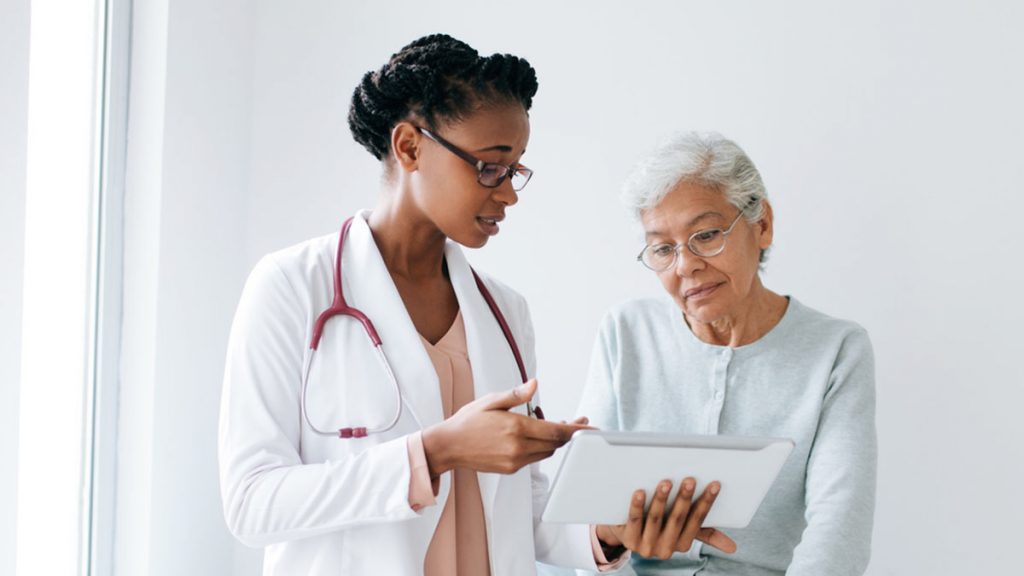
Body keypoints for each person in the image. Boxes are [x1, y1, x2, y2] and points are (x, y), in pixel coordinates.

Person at [218, 35, 725, 576]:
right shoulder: (292, 287)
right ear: (410, 146)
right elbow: (253, 503)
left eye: (515, 171)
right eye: (489, 167)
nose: (508, 194)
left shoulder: (506, 311)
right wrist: (435, 452)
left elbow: (513, 508)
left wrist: (609, 532)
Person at [577, 132, 877, 576]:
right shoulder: (626, 332)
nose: (686, 265)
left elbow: (839, 528)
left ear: (762, 225)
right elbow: (587, 509)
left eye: (706, 234)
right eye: (663, 248)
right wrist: (607, 543)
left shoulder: (836, 350)